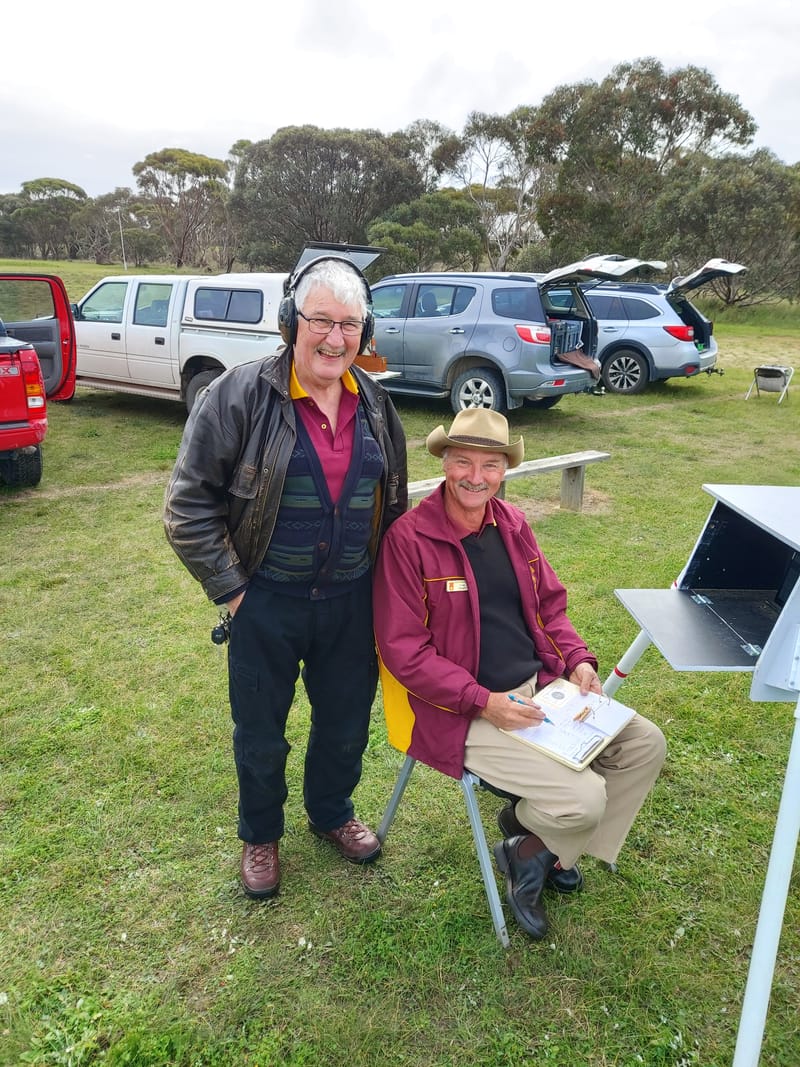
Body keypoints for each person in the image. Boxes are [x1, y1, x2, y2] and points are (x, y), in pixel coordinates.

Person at [164, 256, 408, 900]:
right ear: (289, 322)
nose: (334, 338)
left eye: (349, 324)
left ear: (366, 331)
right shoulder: (237, 395)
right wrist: (238, 594)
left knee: (346, 720)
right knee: (260, 728)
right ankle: (260, 835)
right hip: (264, 600)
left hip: (352, 601)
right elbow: (187, 508)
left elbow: (397, 508)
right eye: (320, 321)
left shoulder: (378, 404)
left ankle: (331, 813)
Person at [372, 409, 665, 940]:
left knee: (645, 744)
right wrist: (483, 701)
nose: (475, 477)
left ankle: (535, 850)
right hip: (459, 712)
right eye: (462, 461)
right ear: (444, 463)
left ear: (504, 471)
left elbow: (550, 608)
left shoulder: (512, 524)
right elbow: (403, 652)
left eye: (489, 465)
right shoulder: (408, 539)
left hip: (540, 691)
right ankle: (545, 840)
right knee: (583, 798)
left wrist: (577, 659)